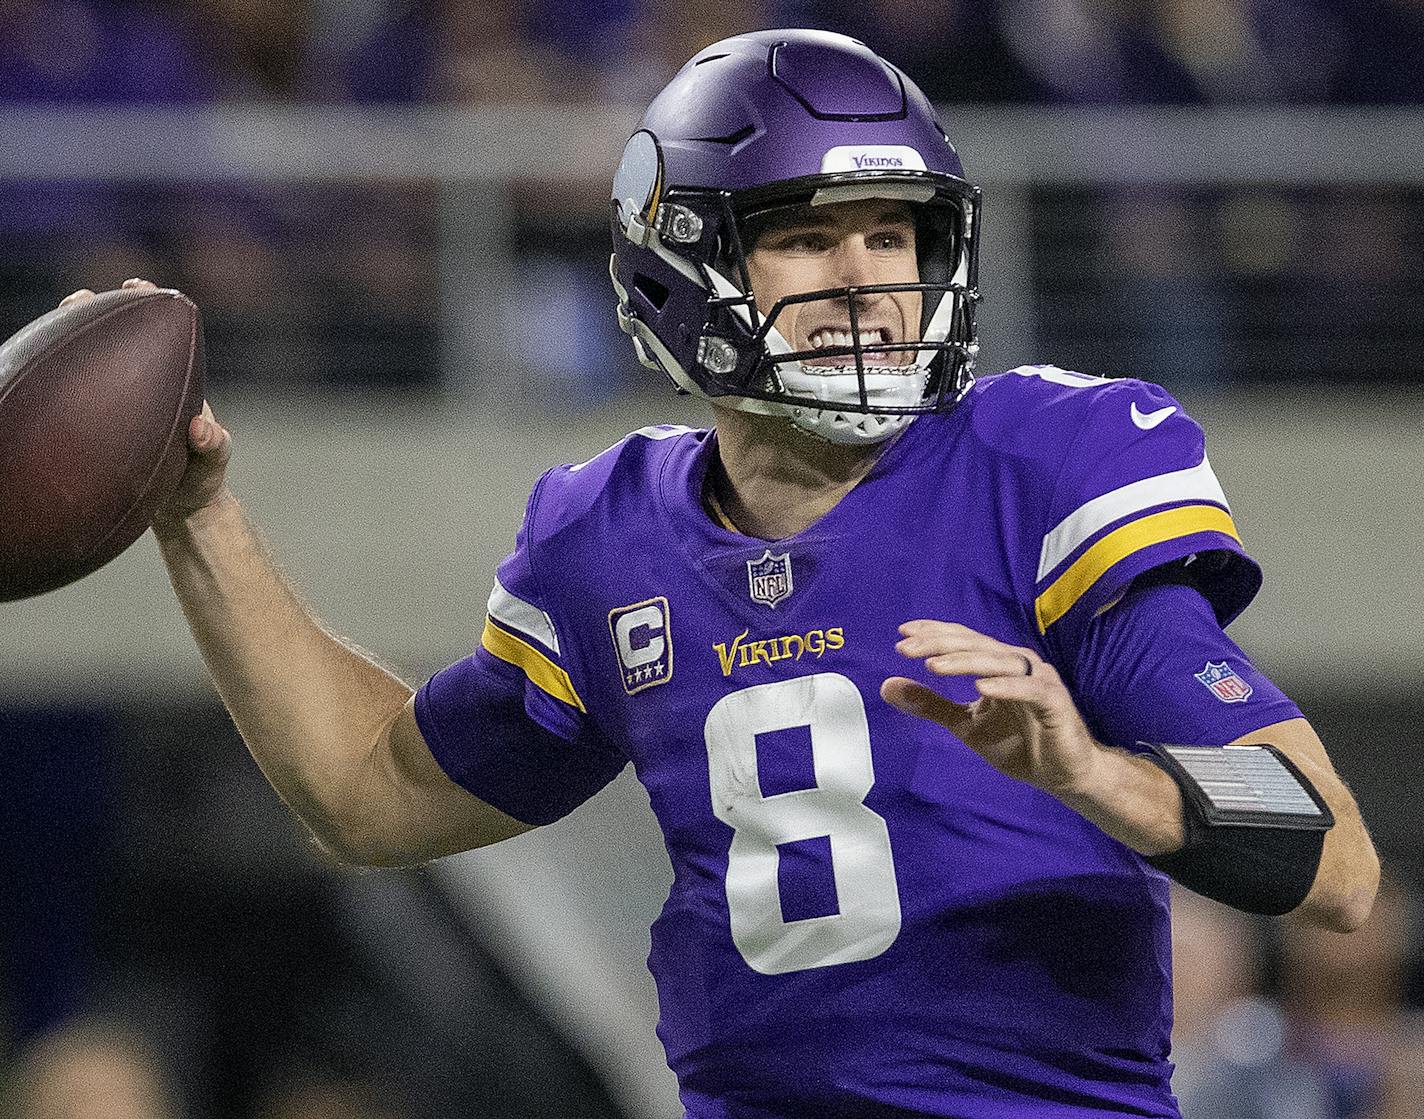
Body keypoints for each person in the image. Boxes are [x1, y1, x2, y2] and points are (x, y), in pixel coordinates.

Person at [64, 29, 1381, 1119]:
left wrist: (1096, 776)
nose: (868, 281)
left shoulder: (1038, 470)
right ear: (684, 261)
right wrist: (202, 518)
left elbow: (1334, 860)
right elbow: (368, 795)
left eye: (897, 235)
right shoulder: (610, 537)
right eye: (810, 237)